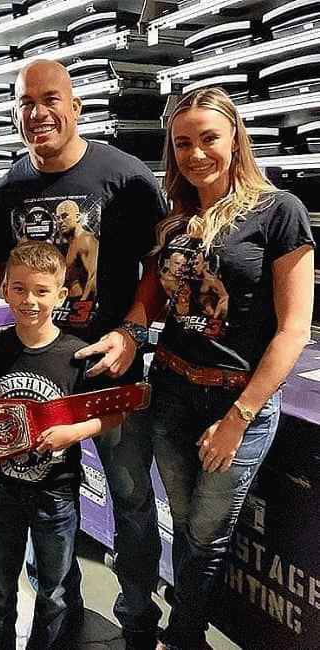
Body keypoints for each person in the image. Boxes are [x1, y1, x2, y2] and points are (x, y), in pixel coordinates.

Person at [77, 87, 314, 649]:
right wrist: (131, 331)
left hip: (238, 402)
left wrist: (239, 417)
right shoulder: (175, 221)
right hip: (173, 391)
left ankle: (185, 635)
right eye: (183, 143)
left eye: (209, 138)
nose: (196, 153)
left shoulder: (280, 211)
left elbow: (294, 329)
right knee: (183, 523)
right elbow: (154, 295)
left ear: (236, 139)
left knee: (207, 533)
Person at [0, 59, 167, 649]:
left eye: (50, 99)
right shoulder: (7, 190)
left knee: (130, 499)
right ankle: (59, 610)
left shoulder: (126, 176)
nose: (38, 113)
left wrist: (132, 331)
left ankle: (138, 619)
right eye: (25, 103)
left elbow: (157, 268)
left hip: (105, 366)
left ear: (76, 106)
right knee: (42, 490)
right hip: (32, 370)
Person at [0, 241, 123, 649]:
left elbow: (113, 414)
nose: (30, 300)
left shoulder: (76, 355)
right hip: (1, 490)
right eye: (19, 289)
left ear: (61, 294)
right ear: (6, 290)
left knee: (54, 590)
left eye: (41, 291)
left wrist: (72, 433)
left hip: (55, 493)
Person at [55, 199, 98, 301]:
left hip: (80, 301)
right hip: (67, 301)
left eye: (64, 216)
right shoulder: (70, 242)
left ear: (78, 217)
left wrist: (83, 303)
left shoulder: (86, 240)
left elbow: (93, 278)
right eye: (58, 218)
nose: (60, 221)